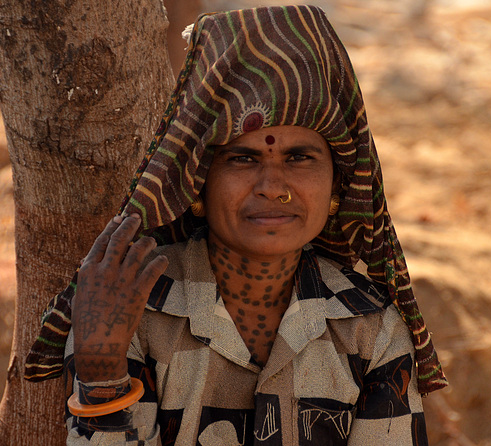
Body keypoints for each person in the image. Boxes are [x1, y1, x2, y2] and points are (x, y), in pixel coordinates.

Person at [24, 5, 447, 444]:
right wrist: (102, 374)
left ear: (337, 190)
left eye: (299, 158)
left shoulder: (371, 327)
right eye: (242, 159)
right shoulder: (130, 306)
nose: (274, 188)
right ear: (198, 188)